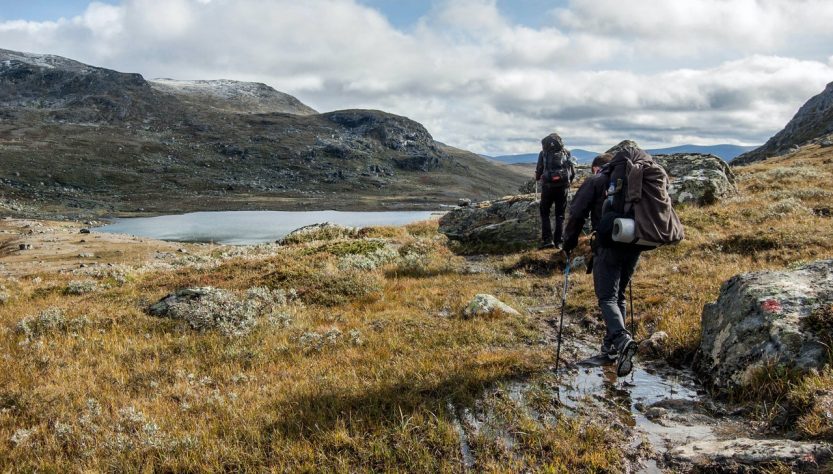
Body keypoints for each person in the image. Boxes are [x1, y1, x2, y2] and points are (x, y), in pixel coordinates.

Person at [562, 147, 642, 377]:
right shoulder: (635, 178)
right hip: (636, 241)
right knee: (619, 296)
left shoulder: (596, 180)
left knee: (606, 296)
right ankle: (610, 350)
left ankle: (621, 340)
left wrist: (568, 244)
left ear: (598, 167)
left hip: (609, 244)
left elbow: (577, 214)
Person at [535, 133, 575, 249]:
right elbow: (572, 172)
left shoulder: (543, 153)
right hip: (562, 187)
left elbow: (539, 172)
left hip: (548, 187)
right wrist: (568, 182)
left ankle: (547, 240)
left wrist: (538, 177)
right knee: (560, 214)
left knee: (545, 212)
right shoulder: (566, 152)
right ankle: (559, 242)